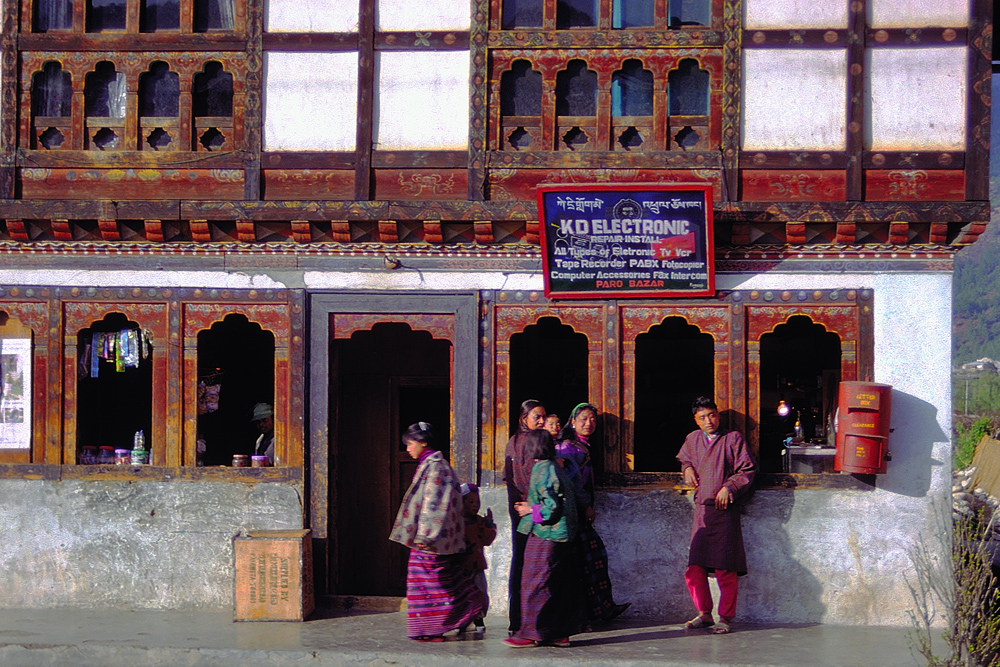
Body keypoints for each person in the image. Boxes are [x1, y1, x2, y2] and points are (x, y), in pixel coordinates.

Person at [389, 422, 487, 641]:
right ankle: (431, 628)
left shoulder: (436, 467)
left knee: (428, 583)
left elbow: (435, 503)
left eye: (411, 444)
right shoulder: (432, 464)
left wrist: (425, 535)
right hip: (436, 538)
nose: (408, 449)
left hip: (432, 539)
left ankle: (445, 620)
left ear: (423, 443)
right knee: (431, 581)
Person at [677, 396, 755, 635]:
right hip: (702, 509)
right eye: (702, 417)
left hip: (724, 510)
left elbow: (747, 469)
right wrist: (687, 468)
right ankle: (704, 613)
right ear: (696, 420)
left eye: (712, 415)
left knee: (725, 567)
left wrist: (729, 487)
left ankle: (726, 617)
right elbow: (685, 459)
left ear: (718, 415)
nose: (708, 421)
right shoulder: (692, 439)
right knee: (695, 568)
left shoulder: (733, 438)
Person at [505, 430, 586, 648]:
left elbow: (551, 508)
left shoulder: (543, 469)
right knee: (555, 584)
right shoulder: (552, 466)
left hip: (547, 535)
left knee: (535, 583)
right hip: (560, 536)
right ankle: (557, 633)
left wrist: (529, 509)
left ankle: (532, 633)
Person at [556, 402, 630, 623]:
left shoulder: (583, 446)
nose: (589, 423)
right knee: (584, 561)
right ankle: (588, 613)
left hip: (579, 515)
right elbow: (572, 484)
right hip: (571, 514)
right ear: (573, 421)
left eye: (593, 419)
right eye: (584, 419)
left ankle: (600, 609)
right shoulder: (566, 448)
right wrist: (585, 505)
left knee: (593, 559)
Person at [503, 399, 547, 635]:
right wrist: (534, 511)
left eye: (543, 416)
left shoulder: (521, 441)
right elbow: (521, 481)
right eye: (536, 417)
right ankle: (524, 621)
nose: (541, 421)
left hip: (524, 511)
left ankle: (520, 621)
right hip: (528, 512)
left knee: (522, 563)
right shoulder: (525, 443)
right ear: (523, 420)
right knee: (531, 564)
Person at [459, 482, 496, 633]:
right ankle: (462, 620)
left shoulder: (480, 522)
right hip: (461, 567)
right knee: (461, 594)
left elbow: (486, 541)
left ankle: (479, 618)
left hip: (477, 566)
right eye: (471, 502)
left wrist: (490, 525)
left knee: (480, 592)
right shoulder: (457, 522)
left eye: (477, 502)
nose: (476, 505)